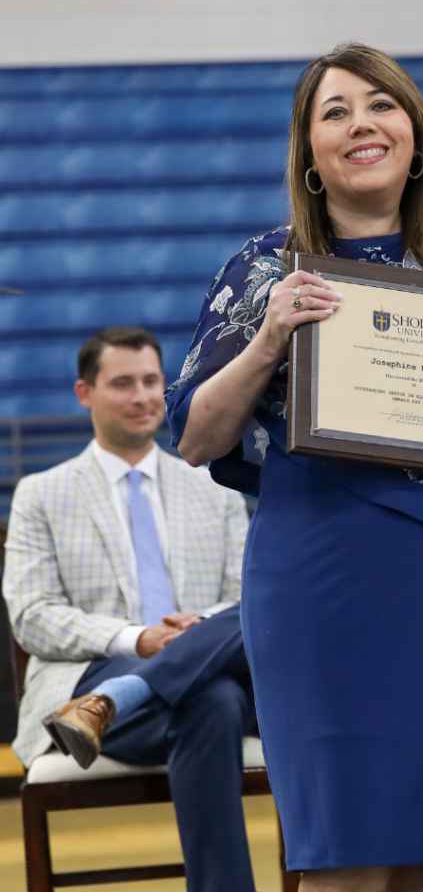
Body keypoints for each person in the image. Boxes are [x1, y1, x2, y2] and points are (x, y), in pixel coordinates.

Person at [165, 42, 423, 892]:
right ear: (311, 155)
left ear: (416, 137)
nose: (362, 124)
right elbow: (196, 438)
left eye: (381, 105)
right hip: (323, 579)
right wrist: (269, 340)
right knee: (346, 853)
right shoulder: (263, 266)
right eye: (336, 111)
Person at [2, 326, 256, 892]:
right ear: (84, 393)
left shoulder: (213, 487)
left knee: (224, 678)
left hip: (160, 693)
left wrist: (198, 629)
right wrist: (136, 639)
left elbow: (247, 598)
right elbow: (32, 615)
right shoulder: (41, 494)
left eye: (150, 381)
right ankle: (121, 687)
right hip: (91, 672)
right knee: (215, 700)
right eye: (123, 384)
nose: (142, 397)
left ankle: (118, 699)